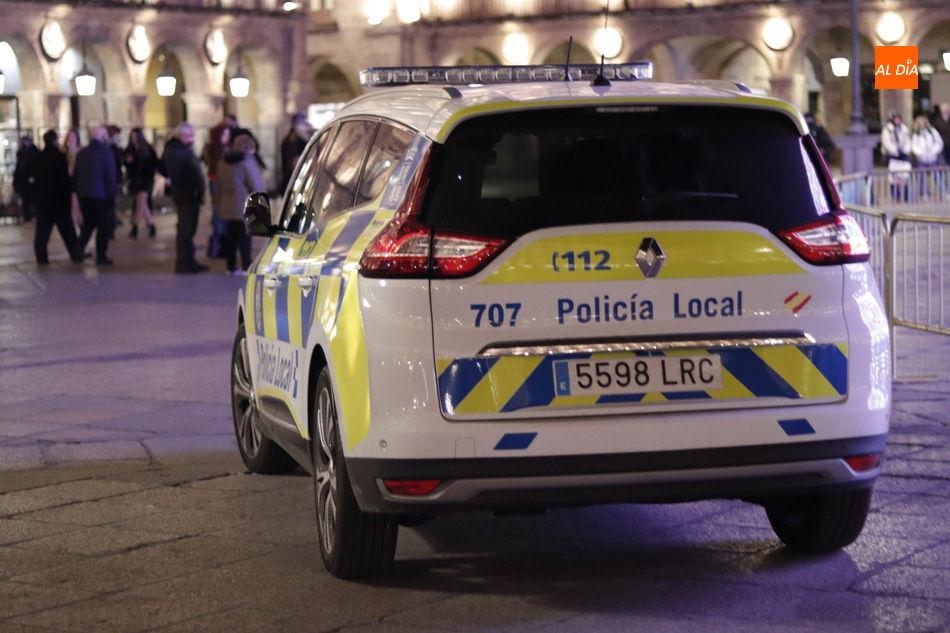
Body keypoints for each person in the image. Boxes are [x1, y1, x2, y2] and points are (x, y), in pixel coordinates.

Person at [216, 129, 267, 274]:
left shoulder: (223, 162)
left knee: (231, 237)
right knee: (245, 238)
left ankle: (230, 266)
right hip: (244, 205)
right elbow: (255, 184)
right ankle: (246, 265)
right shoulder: (247, 161)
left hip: (227, 205)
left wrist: (218, 206)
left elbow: (218, 185)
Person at [161, 122, 209, 274]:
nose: (192, 138)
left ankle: (189, 260)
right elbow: (177, 174)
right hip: (185, 195)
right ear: (182, 135)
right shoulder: (174, 150)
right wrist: (192, 187)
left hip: (190, 195)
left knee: (189, 229)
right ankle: (183, 263)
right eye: (190, 135)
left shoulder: (181, 148)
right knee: (185, 229)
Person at [30, 130, 82, 265]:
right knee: (68, 231)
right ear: (55, 141)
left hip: (44, 200)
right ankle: (76, 254)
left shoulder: (38, 157)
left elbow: (30, 176)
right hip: (60, 200)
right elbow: (65, 180)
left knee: (42, 231)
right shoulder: (60, 157)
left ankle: (41, 257)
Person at [74, 126, 118, 266]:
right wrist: (112, 196)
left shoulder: (82, 153)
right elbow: (110, 176)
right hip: (101, 195)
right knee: (102, 226)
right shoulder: (106, 153)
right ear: (103, 137)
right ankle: (101, 256)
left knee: (88, 224)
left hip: (84, 195)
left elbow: (76, 175)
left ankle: (78, 251)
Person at [201, 121, 232, 258]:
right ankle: (218, 235)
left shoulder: (227, 147)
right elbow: (213, 163)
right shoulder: (213, 147)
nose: (227, 137)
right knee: (218, 209)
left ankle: (223, 236)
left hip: (225, 181)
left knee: (224, 209)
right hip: (216, 180)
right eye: (225, 134)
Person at [123, 128, 159, 238]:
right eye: (132, 137)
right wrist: (128, 162)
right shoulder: (129, 150)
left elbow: (155, 164)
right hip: (135, 181)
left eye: (135, 137)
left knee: (140, 203)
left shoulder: (148, 149)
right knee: (143, 205)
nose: (134, 139)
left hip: (145, 180)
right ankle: (151, 226)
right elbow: (126, 165)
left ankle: (135, 228)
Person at [912, 114, 945, 199]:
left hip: (932, 158)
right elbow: (914, 145)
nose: (922, 124)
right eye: (920, 123)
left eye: (923, 122)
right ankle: (925, 193)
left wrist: (933, 151)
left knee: (936, 176)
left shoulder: (932, 131)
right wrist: (920, 153)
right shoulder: (917, 134)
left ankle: (943, 192)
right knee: (922, 177)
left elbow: (939, 143)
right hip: (922, 159)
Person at [881, 112, 912, 201]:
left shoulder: (904, 129)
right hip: (893, 156)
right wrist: (895, 151)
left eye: (899, 119)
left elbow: (907, 141)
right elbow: (886, 142)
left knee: (905, 176)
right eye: (896, 119)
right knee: (893, 178)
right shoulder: (888, 129)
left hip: (903, 156)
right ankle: (896, 196)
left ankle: (907, 195)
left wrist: (906, 150)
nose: (897, 121)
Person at [279, 112, 312, 194]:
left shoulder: (304, 141)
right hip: (291, 181)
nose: (305, 127)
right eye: (302, 124)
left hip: (302, 180)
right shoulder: (287, 142)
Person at [13, 136, 39, 224]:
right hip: (24, 181)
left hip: (32, 180)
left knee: (34, 200)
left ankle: (35, 217)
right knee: (26, 201)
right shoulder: (21, 153)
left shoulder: (33, 153)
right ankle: (28, 218)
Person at [62, 129, 83, 227]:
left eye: (73, 137)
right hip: (67, 181)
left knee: (77, 203)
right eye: (70, 137)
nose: (71, 139)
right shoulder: (63, 152)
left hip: (78, 180)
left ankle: (78, 221)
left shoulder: (80, 151)